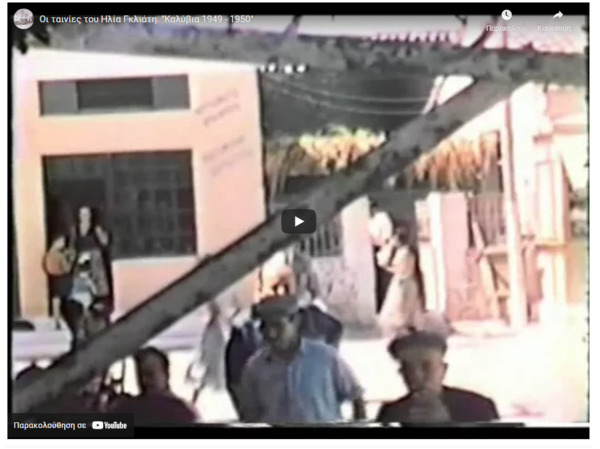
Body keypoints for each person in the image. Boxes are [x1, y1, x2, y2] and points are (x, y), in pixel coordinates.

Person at [238, 295, 366, 424]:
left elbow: (356, 396)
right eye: (265, 327)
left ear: (295, 321)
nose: (271, 333)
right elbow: (250, 414)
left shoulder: (325, 357)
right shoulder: (255, 368)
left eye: (278, 325)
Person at [376, 331, 499, 424]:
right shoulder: (392, 414)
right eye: (408, 369)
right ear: (401, 373)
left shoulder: (477, 407)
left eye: (426, 367)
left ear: (443, 370)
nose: (417, 376)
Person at [110, 347, 198, 425]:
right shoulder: (129, 408)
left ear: (165, 374)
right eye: (140, 375)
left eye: (150, 374)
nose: (144, 380)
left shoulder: (182, 412)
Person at [376, 222, 425, 338]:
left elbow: (401, 269)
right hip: (404, 282)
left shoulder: (405, 253)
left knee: (402, 309)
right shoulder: (404, 252)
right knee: (404, 308)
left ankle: (406, 332)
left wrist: (387, 268)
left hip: (404, 283)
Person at [186, 301, 227, 405]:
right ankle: (193, 402)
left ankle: (193, 402)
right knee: (203, 381)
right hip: (211, 359)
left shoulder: (215, 329)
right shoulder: (214, 328)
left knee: (203, 381)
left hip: (212, 359)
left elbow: (213, 345)